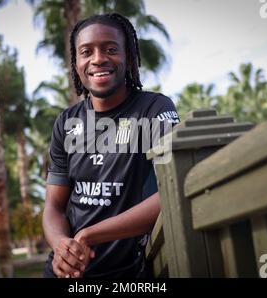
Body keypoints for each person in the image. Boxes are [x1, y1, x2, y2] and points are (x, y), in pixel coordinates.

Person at [43, 13, 180, 278]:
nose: (97, 59)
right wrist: (61, 244)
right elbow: (54, 206)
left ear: (129, 57)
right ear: (76, 63)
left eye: (110, 49)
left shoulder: (154, 109)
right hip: (64, 272)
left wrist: (90, 235)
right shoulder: (66, 122)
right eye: (86, 52)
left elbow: (171, 192)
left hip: (127, 272)